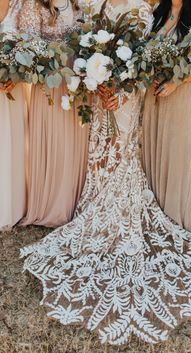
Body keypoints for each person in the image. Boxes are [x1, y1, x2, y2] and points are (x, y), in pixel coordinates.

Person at [20, 0, 191, 346]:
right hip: (104, 93)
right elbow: (89, 43)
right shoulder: (101, 4)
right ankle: (97, 201)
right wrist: (98, 80)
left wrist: (123, 88)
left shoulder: (145, 11)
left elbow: (142, 61)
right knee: (101, 149)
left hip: (130, 95)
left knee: (122, 151)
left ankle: (121, 208)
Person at [17, 0, 89, 228]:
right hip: (50, 83)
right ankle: (50, 205)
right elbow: (28, 43)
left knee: (73, 142)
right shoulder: (33, 5)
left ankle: (72, 200)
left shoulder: (80, 4)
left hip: (77, 83)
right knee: (55, 141)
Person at [142, 0, 191, 232]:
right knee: (156, 148)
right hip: (155, 95)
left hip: (182, 93)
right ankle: (155, 212)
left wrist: (175, 82)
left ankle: (173, 216)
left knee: (178, 151)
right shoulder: (158, 12)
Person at [0, 0, 30, 231]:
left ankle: (12, 203)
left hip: (13, 88)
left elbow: (31, 43)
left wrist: (17, 76)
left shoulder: (22, 4)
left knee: (11, 144)